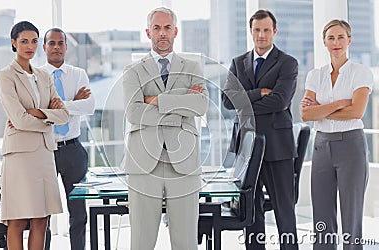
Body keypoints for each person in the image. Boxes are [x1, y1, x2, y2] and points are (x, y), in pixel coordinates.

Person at [122, 7, 209, 250]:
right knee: (141, 241)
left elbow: (201, 106)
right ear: (148, 32)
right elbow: (133, 113)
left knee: (185, 242)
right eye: (157, 28)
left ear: (175, 31)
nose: (163, 33)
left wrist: (157, 100)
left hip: (184, 162)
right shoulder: (133, 70)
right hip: (143, 162)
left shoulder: (193, 67)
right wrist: (181, 103)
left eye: (167, 28)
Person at [222, 9, 299, 249]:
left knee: (284, 213)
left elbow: (280, 101)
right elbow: (226, 101)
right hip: (247, 148)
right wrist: (259, 93)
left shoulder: (287, 63)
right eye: (257, 30)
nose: (261, 35)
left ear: (274, 31)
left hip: (278, 147)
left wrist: (244, 102)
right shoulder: (238, 62)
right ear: (251, 31)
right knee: (251, 213)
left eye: (266, 30)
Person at [301, 19, 372, 250]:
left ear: (349, 40)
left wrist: (321, 110)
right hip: (321, 147)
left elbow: (357, 112)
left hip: (351, 146)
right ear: (324, 42)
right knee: (321, 218)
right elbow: (306, 114)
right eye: (331, 38)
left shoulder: (360, 72)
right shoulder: (315, 75)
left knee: (351, 218)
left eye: (341, 37)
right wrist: (341, 104)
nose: (336, 42)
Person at [0, 21, 68, 250]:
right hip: (20, 156)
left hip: (44, 154)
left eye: (34, 41)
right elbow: (18, 119)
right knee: (18, 219)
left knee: (41, 218)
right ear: (14, 43)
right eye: (24, 41)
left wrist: (38, 113)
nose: (30, 46)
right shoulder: (6, 76)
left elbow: (64, 114)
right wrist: (49, 117)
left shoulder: (43, 75)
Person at [41, 27, 95, 250]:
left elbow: (89, 106)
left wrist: (61, 105)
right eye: (51, 43)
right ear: (44, 47)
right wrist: (73, 103)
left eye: (60, 43)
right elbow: (38, 112)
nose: (56, 47)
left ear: (66, 46)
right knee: (43, 213)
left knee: (78, 213)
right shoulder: (36, 75)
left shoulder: (78, 74)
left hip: (74, 150)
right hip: (45, 151)